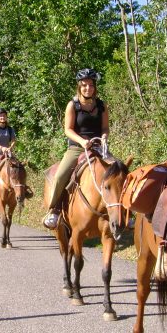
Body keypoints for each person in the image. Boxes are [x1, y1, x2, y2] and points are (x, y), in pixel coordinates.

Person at [42, 68, 109, 229]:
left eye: (91, 85)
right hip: (77, 149)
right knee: (60, 177)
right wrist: (82, 141)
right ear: (79, 86)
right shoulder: (73, 105)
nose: (88, 88)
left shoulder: (102, 105)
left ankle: (124, 213)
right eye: (84, 85)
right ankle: (54, 210)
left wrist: (105, 137)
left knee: (119, 172)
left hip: (98, 148)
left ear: (95, 87)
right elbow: (68, 129)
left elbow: (105, 127)